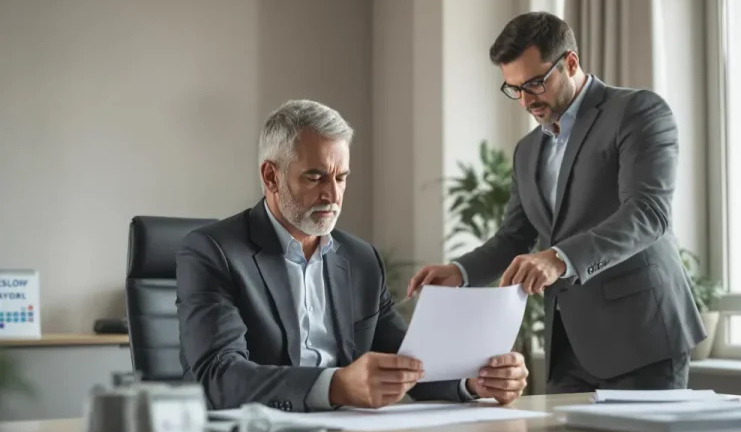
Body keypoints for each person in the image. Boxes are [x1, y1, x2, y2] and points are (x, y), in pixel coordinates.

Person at [408, 12, 705, 394]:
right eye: (513, 88)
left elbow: (647, 213)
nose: (525, 101)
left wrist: (558, 258)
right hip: (567, 350)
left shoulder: (637, 112)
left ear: (570, 63)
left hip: (641, 340)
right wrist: (460, 272)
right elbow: (515, 238)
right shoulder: (527, 151)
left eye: (534, 84)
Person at [176, 99, 529, 411]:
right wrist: (336, 386)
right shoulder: (213, 251)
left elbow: (405, 362)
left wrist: (472, 383)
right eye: (315, 177)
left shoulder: (361, 260)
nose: (332, 194)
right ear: (271, 176)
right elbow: (219, 376)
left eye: (341, 178)